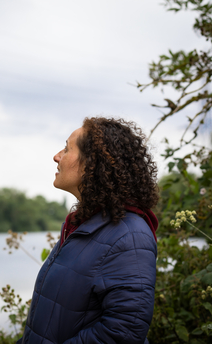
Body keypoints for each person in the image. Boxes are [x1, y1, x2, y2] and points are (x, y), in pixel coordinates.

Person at [17, 117, 159, 344]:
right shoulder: (82, 225)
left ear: (92, 163)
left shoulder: (129, 236)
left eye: (66, 148)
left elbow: (124, 332)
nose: (56, 156)